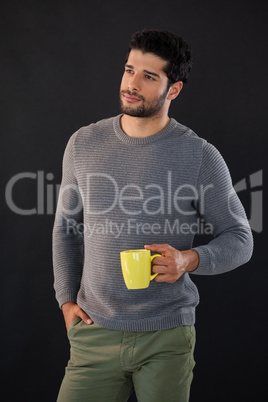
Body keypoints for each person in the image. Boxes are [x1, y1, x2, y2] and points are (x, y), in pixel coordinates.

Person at [52, 29, 253, 402]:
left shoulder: (199, 155)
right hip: (93, 333)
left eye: (149, 76)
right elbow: (66, 228)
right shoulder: (84, 143)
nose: (132, 83)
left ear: (173, 89)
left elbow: (241, 238)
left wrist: (189, 259)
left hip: (167, 337)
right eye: (130, 70)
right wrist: (66, 298)